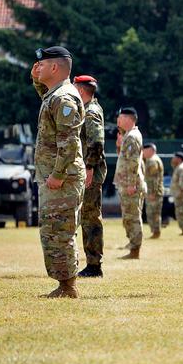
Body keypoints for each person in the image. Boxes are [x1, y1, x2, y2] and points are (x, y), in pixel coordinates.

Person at [31, 46, 86, 298]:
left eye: (41, 64)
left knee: (59, 231)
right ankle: (65, 284)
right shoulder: (55, 95)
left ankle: (68, 287)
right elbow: (47, 102)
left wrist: (58, 174)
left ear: (55, 67)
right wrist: (36, 80)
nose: (37, 67)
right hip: (56, 176)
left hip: (62, 178)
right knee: (53, 230)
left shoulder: (63, 98)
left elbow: (69, 141)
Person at [73, 75, 106, 277]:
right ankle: (92, 263)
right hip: (88, 170)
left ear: (82, 91)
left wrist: (90, 167)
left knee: (90, 218)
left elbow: (96, 142)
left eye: (75, 88)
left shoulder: (91, 112)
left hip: (90, 173)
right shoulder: (90, 108)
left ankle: (94, 265)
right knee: (87, 217)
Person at [113, 107, 145, 259]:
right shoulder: (128, 136)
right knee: (128, 216)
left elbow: (133, 162)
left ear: (128, 119)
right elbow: (124, 158)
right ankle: (133, 246)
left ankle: (135, 250)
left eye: (120, 118)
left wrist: (131, 183)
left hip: (130, 184)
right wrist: (119, 145)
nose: (118, 121)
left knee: (132, 217)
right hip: (126, 183)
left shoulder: (132, 136)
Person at [142, 143, 164, 238]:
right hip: (155, 191)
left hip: (153, 192)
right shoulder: (154, 159)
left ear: (150, 150)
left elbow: (154, 179)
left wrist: (152, 193)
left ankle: (156, 232)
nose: (143, 152)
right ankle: (155, 232)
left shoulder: (152, 161)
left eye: (144, 150)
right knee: (154, 213)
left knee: (153, 213)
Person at [171, 151, 183, 235]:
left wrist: (182, 191)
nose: (173, 159)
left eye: (174, 158)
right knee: (180, 212)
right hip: (179, 193)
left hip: (181, 194)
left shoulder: (182, 168)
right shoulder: (179, 167)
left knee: (181, 212)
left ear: (179, 159)